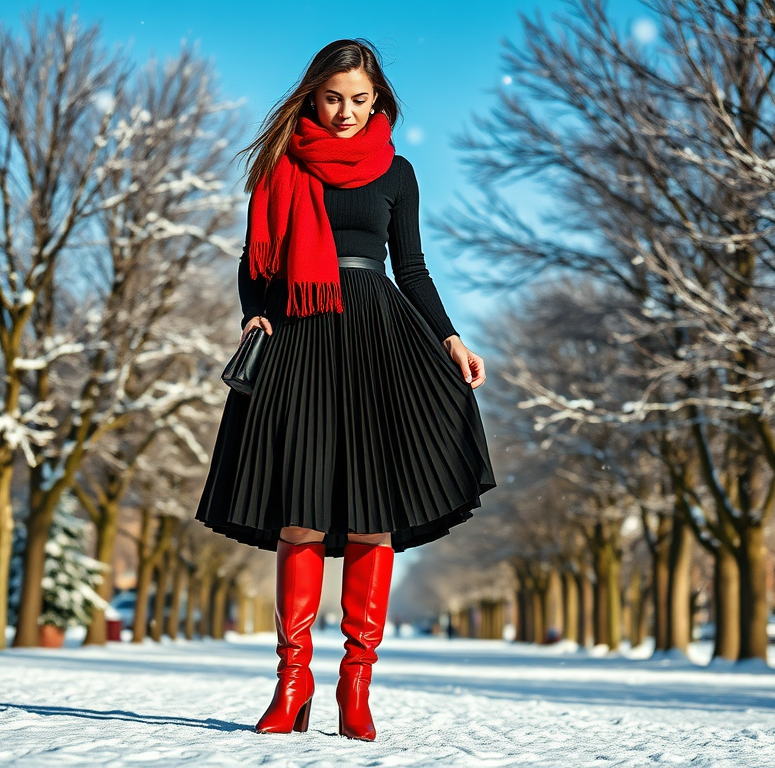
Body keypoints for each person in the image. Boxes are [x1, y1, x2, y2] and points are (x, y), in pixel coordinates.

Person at [194, 38, 496, 741]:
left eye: (361, 99)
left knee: (371, 516)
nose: (347, 111)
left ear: (378, 100)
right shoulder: (282, 164)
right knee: (298, 514)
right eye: (334, 97)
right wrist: (253, 314)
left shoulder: (398, 172)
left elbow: (412, 268)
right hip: (300, 335)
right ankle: (291, 682)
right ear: (313, 96)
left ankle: (354, 685)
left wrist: (450, 338)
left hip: (377, 340)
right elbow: (254, 261)